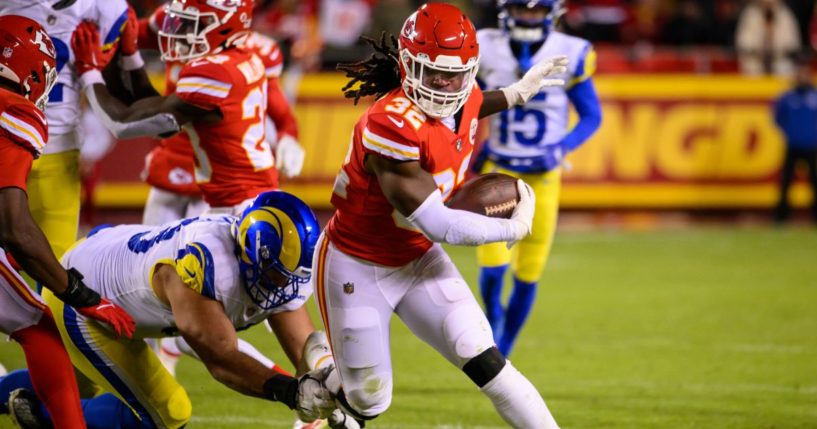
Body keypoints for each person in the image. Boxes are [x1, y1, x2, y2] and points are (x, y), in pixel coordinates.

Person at [319, 3, 568, 427]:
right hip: (357, 264)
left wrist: (517, 93)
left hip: (418, 258)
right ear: (407, 65)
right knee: (368, 401)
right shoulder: (389, 124)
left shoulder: (461, 97)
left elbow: (471, 104)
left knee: (487, 359)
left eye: (453, 74)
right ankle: (322, 378)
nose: (442, 84)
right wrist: (513, 226)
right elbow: (440, 223)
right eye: (431, 72)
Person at [0, 191, 343, 429]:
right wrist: (290, 392)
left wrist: (334, 386)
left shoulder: (274, 263)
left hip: (107, 260)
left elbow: (303, 346)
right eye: (274, 276)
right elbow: (221, 359)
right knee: (170, 413)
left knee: (79, 383)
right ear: (251, 254)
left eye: (288, 278)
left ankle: (16, 398)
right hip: (88, 302)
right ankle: (43, 415)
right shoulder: (205, 265)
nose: (282, 287)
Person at [0, 15, 135, 428]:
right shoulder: (18, 112)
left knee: (34, 320)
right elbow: (15, 229)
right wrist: (81, 294)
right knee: (38, 325)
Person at [473, 0, 602, 357]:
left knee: (528, 272)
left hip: (544, 179)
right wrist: (474, 147)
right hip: (498, 172)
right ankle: (492, 319)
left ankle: (505, 350)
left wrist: (562, 148)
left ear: (552, 13)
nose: (528, 17)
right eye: (521, 9)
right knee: (493, 266)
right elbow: (466, 104)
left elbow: (592, 116)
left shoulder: (570, 52)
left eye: (535, 10)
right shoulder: (486, 47)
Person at [71, 0, 281, 217]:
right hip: (250, 197)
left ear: (226, 25)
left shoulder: (215, 74)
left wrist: (89, 72)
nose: (180, 32)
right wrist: (131, 55)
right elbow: (160, 120)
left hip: (238, 207)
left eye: (194, 24)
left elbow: (122, 123)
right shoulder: (243, 58)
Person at [0, 0, 130, 261]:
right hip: (12, 139)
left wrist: (104, 67)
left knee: (58, 264)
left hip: (58, 148)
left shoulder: (106, 7)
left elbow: (122, 94)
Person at [773, 59, 817, 224]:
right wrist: (790, 133)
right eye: (800, 74)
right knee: (785, 182)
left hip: (812, 146)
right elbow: (778, 118)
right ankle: (781, 216)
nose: (802, 77)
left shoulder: (815, 96)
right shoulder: (787, 98)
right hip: (793, 145)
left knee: (814, 181)